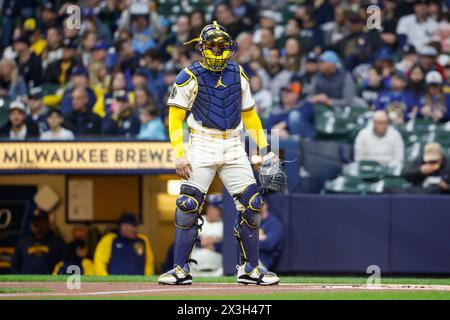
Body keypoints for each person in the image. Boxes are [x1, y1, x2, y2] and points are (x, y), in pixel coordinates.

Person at [158, 22, 280, 286]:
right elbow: (175, 118)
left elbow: (250, 116)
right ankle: (180, 270)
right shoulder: (188, 75)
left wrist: (266, 151)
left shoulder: (239, 73)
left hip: (234, 144)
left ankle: (249, 269)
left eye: (222, 45)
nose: (217, 49)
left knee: (252, 204)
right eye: (212, 45)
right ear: (202, 47)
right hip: (201, 142)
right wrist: (179, 153)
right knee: (187, 205)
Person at [11, 209, 66, 274]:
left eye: (39, 220)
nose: (35, 223)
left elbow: (64, 265)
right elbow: (14, 265)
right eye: (33, 220)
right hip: (26, 282)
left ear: (47, 222)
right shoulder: (23, 243)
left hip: (50, 283)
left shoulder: (58, 243)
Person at [190, 194, 224, 277]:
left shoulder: (225, 225)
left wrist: (214, 245)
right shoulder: (197, 220)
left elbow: (229, 246)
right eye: (212, 208)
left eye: (218, 209)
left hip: (218, 272)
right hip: (194, 271)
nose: (214, 211)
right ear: (208, 208)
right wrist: (202, 241)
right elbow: (188, 240)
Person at [259, 199, 283, 270]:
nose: (258, 207)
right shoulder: (251, 222)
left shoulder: (273, 223)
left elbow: (269, 244)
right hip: (248, 261)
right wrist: (259, 237)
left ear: (266, 205)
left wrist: (251, 239)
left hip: (263, 262)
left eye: (261, 205)